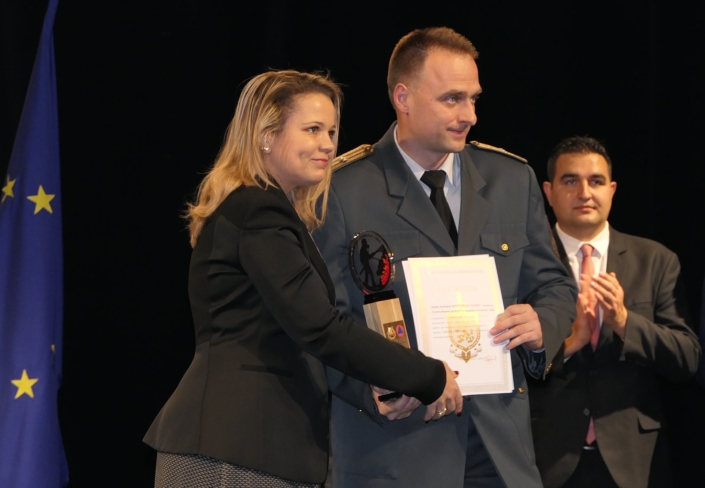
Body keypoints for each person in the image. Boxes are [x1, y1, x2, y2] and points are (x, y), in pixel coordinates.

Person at [143, 70, 464, 488]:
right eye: (312, 129)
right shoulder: (259, 210)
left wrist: (374, 387)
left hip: (253, 446)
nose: (327, 144)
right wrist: (427, 375)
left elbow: (301, 336)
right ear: (266, 136)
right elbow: (319, 327)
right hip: (235, 446)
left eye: (331, 131)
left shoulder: (264, 209)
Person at [313, 28, 577, 488]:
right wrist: (370, 388)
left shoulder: (511, 179)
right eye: (452, 99)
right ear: (403, 97)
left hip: (501, 452)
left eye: (473, 99)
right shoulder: (342, 190)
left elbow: (555, 287)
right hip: (396, 451)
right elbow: (319, 320)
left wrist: (541, 327)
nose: (469, 115)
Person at [531, 136, 701, 488]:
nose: (584, 193)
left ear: (611, 190)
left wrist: (625, 322)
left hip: (634, 462)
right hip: (545, 458)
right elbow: (504, 361)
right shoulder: (525, 262)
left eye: (595, 181)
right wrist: (569, 344)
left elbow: (687, 358)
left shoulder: (655, 260)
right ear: (548, 192)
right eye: (570, 181)